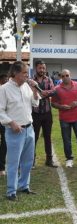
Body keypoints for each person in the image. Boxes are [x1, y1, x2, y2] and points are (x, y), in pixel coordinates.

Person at [0, 61, 40, 201]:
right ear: (15, 73)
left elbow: (35, 103)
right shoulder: (4, 89)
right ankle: (11, 191)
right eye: (24, 73)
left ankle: (24, 185)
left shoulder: (27, 87)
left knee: (28, 160)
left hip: (29, 129)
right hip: (14, 131)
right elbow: (0, 111)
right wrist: (11, 123)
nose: (27, 76)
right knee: (13, 162)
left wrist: (35, 91)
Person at [51, 69, 77, 169]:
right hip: (64, 118)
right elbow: (53, 103)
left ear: (70, 75)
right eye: (63, 76)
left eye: (67, 75)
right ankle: (69, 159)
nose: (65, 77)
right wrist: (61, 107)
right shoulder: (57, 89)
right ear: (60, 77)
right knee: (66, 140)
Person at [32, 60, 57, 167]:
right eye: (40, 68)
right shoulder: (30, 81)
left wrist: (42, 94)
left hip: (47, 113)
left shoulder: (49, 79)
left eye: (43, 68)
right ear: (36, 68)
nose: (42, 70)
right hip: (35, 113)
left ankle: (49, 160)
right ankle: (31, 160)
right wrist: (44, 93)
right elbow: (29, 93)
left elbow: (54, 91)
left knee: (47, 136)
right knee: (34, 137)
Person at [0, 74, 8, 176]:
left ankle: (1, 167)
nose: (6, 80)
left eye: (7, 79)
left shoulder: (8, 90)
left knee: (4, 144)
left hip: (5, 120)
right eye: (4, 79)